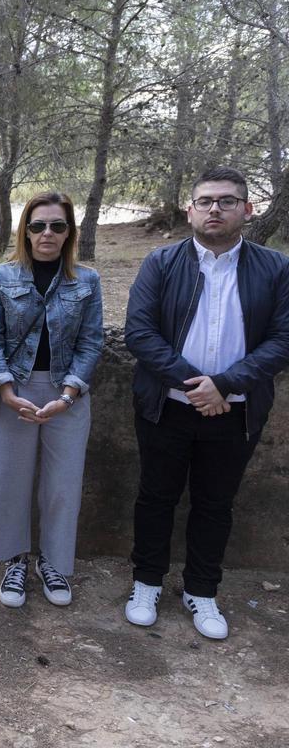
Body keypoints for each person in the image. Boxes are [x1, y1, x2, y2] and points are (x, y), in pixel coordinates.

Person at [123, 166, 289, 640]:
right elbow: (140, 332)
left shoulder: (276, 268)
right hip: (166, 407)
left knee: (216, 503)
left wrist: (226, 385)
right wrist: (199, 385)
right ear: (191, 210)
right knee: (155, 497)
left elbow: (282, 339)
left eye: (227, 201)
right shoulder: (160, 262)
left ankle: (202, 589)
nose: (215, 209)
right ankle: (147, 582)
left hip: (236, 411)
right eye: (205, 201)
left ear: (247, 210)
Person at [0, 192, 103, 608]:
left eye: (57, 225)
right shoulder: (2, 277)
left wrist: (68, 394)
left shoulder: (87, 281)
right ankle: (15, 560)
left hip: (67, 392)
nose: (47, 233)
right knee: (8, 480)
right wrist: (7, 390)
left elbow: (91, 342)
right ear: (25, 231)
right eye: (38, 225)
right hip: (15, 389)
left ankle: (52, 561)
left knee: (62, 485)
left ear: (69, 233)